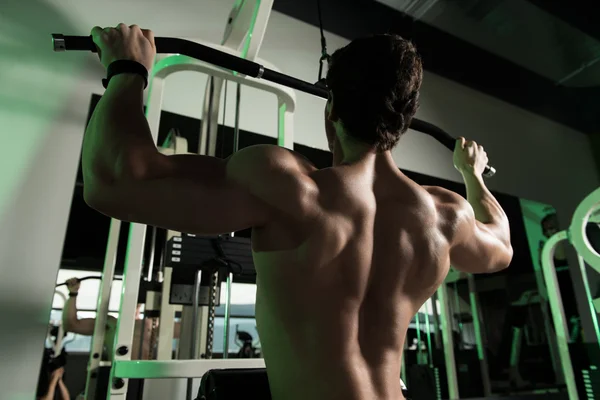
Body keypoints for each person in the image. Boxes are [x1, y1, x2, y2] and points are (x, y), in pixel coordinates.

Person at [83, 24, 513, 400]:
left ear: (331, 113)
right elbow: (501, 246)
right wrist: (472, 174)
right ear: (403, 121)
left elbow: (115, 182)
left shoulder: (292, 188)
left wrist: (127, 70)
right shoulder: (444, 214)